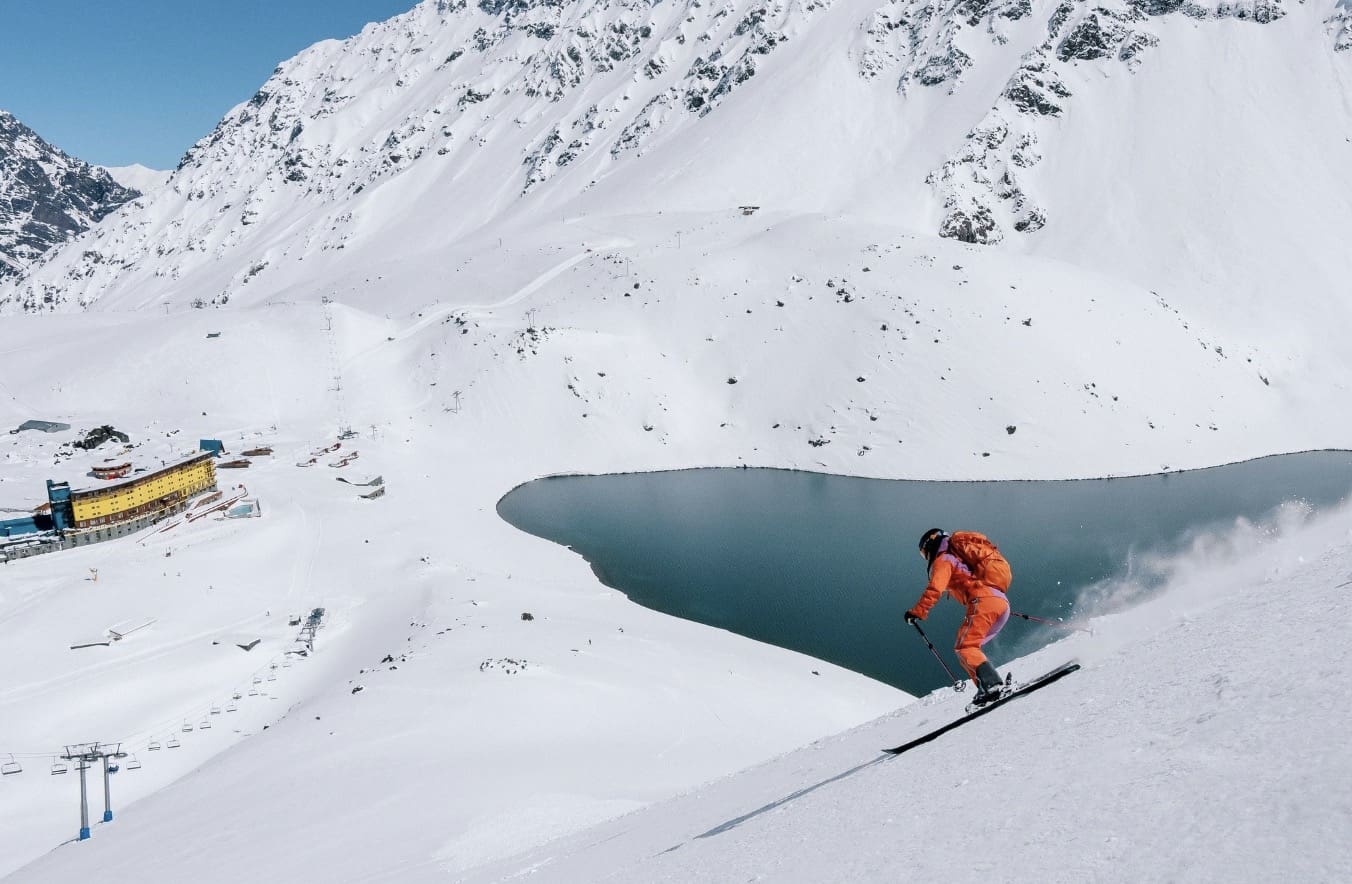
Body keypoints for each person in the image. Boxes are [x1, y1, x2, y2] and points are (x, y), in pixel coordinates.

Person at [905, 528, 1012, 705]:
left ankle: (992, 685)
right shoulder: (958, 559)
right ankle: (986, 689)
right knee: (966, 648)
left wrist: (917, 611)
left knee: (965, 647)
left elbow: (935, 588)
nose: (925, 557)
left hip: (985, 601)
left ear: (929, 546)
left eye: (924, 553)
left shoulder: (944, 560)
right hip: (999, 602)